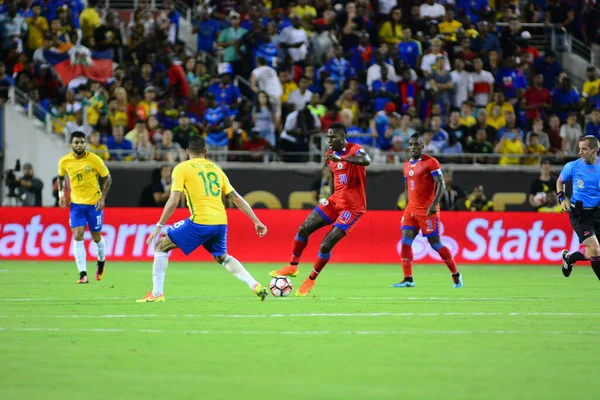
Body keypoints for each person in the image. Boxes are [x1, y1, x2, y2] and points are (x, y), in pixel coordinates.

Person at [138, 135, 269, 302]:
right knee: (222, 257)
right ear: (205, 152)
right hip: (221, 221)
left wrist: (159, 225)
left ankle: (157, 294)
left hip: (200, 221)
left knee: (161, 245)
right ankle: (255, 285)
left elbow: (173, 200)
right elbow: (237, 198)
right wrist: (256, 220)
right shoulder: (217, 170)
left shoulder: (181, 168)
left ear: (187, 151)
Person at [270, 123, 371, 296]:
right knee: (303, 229)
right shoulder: (329, 155)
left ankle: (310, 280)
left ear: (343, 137)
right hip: (335, 201)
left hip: (353, 208)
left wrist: (344, 159)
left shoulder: (355, 150)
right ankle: (293, 267)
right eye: (328, 137)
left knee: (325, 246)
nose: (330, 140)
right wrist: (331, 197)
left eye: (333, 137)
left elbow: (366, 160)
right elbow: (333, 175)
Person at [392, 134, 463, 288]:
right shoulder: (406, 165)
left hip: (427, 210)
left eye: (416, 144)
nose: (413, 147)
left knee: (435, 244)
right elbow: (407, 186)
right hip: (411, 209)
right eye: (411, 144)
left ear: (422, 146)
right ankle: (408, 279)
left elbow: (441, 185)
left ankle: (455, 273)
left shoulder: (431, 162)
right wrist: (406, 204)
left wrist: (434, 204)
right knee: (405, 241)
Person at [57, 131, 112, 284]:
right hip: (76, 204)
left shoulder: (94, 159)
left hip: (94, 204)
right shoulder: (64, 161)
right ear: (71, 144)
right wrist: (61, 194)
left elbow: (107, 177)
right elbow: (61, 177)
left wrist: (102, 197)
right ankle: (83, 274)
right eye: (76, 142)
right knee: (78, 235)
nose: (79, 145)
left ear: (85, 143)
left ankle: (101, 262)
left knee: (96, 237)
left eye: (82, 142)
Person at [558, 135, 600, 280]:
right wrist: (561, 198)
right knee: (595, 249)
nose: (580, 152)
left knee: (594, 251)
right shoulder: (573, 166)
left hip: (597, 213)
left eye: (584, 149)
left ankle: (569, 258)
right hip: (580, 214)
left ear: (594, 151)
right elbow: (560, 181)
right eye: (580, 149)